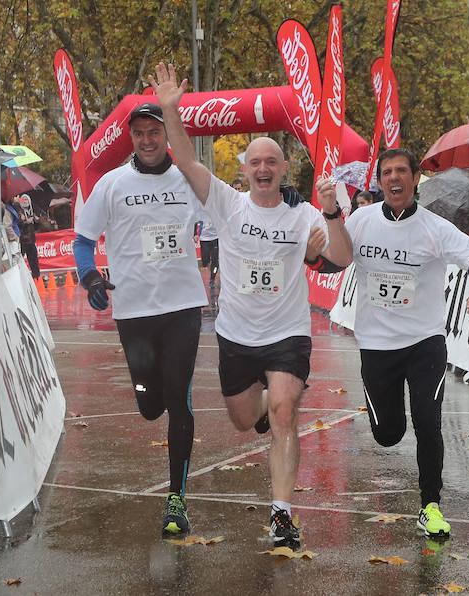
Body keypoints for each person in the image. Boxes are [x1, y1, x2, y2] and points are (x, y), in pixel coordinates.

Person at [151, 62, 353, 550]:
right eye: (255, 162)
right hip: (237, 335)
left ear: (283, 170)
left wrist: (331, 213)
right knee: (247, 419)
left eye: (272, 162)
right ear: (244, 170)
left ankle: (282, 515)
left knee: (286, 413)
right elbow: (185, 162)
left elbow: (342, 257)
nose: (263, 169)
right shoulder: (226, 202)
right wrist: (170, 110)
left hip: (287, 333)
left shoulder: (305, 213)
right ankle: (261, 404)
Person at [342, 148, 469, 538]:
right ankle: (387, 425)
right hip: (377, 344)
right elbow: (331, 257)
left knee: (428, 422)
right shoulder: (361, 220)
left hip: (424, 342)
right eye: (387, 173)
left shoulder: (435, 227)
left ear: (416, 179)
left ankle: (430, 505)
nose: (394, 179)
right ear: (379, 182)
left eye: (402, 172)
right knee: (388, 434)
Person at [72, 101, 208, 536]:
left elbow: (235, 212)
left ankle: (176, 502)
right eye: (140, 133)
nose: (148, 140)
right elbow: (82, 240)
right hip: (135, 313)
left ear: (167, 135)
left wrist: (284, 199)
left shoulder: (190, 180)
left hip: (183, 307)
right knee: (152, 405)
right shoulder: (112, 184)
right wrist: (90, 276)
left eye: (155, 131)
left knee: (180, 401)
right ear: (131, 138)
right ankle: (150, 395)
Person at [14, 194, 41, 279]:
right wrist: (26, 222)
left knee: (34, 259)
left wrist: (36, 221)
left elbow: (36, 228)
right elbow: (17, 224)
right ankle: (18, 276)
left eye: (26, 200)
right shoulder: (19, 211)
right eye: (23, 199)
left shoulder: (32, 211)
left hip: (31, 240)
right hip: (22, 240)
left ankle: (36, 276)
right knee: (19, 259)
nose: (25, 201)